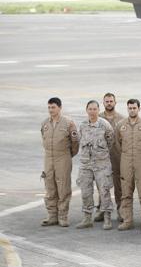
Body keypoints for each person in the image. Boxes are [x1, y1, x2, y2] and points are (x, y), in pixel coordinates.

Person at [115, 99, 141, 231]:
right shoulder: (120, 125)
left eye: (134, 108)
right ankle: (127, 220)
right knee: (126, 192)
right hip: (125, 160)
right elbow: (117, 143)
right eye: (130, 108)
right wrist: (126, 155)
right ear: (127, 109)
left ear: (139, 109)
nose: (132, 110)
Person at [40, 97, 79, 227]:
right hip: (49, 158)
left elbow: (75, 143)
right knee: (50, 186)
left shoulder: (68, 123)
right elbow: (43, 138)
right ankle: (52, 216)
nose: (51, 110)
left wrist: (68, 155)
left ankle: (63, 216)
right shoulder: (45, 123)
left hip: (63, 157)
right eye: (49, 107)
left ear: (60, 108)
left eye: (53, 107)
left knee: (63, 187)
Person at [76, 100, 115, 230]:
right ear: (86, 110)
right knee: (85, 191)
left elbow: (111, 141)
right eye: (90, 109)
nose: (92, 111)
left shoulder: (105, 125)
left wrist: (100, 155)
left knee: (104, 191)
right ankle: (87, 218)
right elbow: (79, 141)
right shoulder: (82, 125)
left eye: (95, 109)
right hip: (86, 164)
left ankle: (107, 218)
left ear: (98, 110)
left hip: (101, 163)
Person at [96, 92, 125, 222]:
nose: (109, 103)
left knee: (119, 186)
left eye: (111, 101)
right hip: (101, 158)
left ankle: (121, 210)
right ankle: (102, 210)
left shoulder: (122, 119)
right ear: (103, 103)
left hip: (117, 156)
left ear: (115, 102)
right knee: (102, 185)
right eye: (106, 101)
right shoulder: (98, 118)